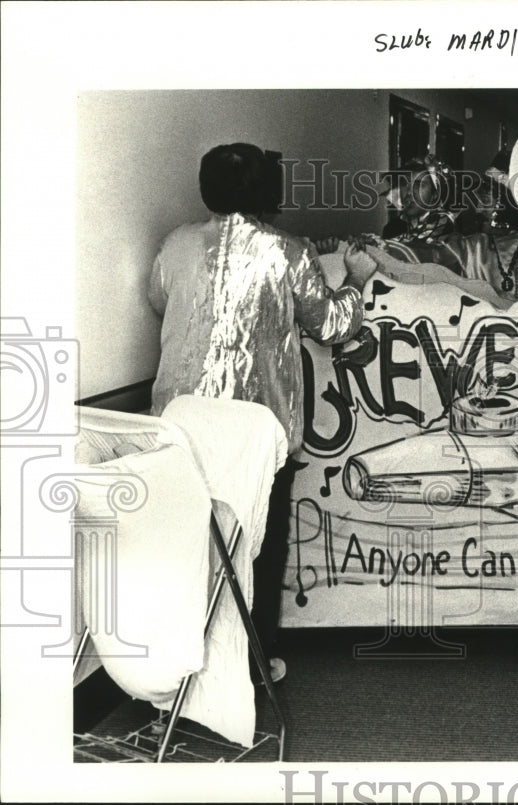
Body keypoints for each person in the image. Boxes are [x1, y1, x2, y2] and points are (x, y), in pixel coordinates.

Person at [148, 142, 378, 683]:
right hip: (254, 423)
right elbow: (331, 326)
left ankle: (182, 664)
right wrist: (356, 279)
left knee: (188, 542)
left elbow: (161, 300)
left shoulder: (174, 245)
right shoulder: (288, 252)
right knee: (255, 542)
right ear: (269, 192)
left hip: (178, 420)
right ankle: (252, 662)